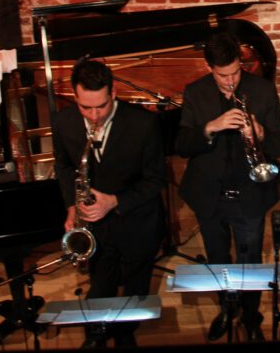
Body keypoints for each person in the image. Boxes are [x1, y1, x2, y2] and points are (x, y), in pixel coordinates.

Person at [175, 31, 280, 342]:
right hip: (209, 194)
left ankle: (251, 315)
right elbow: (182, 144)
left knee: (250, 260)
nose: (231, 80)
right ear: (210, 68)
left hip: (250, 193)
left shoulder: (262, 91)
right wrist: (211, 127)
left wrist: (261, 133)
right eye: (223, 75)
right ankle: (226, 307)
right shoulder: (195, 93)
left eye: (236, 72)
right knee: (218, 257)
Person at [52, 58, 167, 349]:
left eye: (101, 106)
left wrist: (114, 201)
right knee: (100, 284)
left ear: (113, 94)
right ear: (74, 98)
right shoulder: (63, 122)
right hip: (95, 227)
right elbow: (64, 167)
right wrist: (70, 206)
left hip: (137, 222)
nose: (93, 115)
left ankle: (127, 331)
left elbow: (155, 181)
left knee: (135, 285)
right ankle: (97, 332)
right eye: (85, 107)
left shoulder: (144, 123)